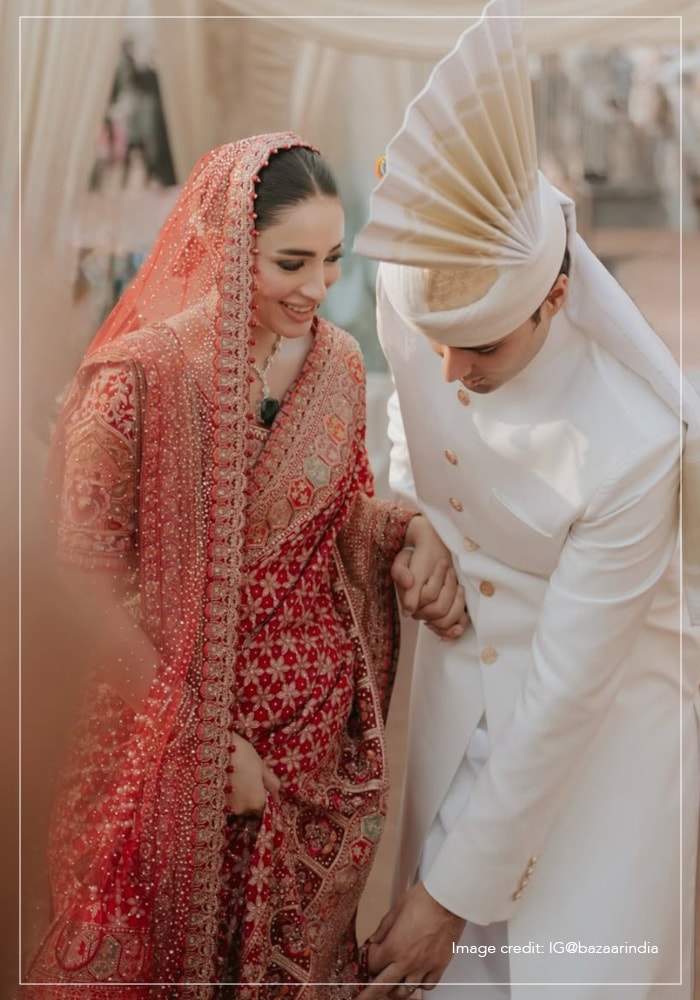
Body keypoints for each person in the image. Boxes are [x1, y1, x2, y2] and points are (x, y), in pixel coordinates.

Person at [23, 132, 466, 998]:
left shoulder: (338, 367)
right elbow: (82, 581)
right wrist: (199, 748)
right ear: (230, 244)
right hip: (160, 742)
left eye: (334, 260)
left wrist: (411, 529)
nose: (317, 288)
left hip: (306, 758)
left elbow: (338, 518)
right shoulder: (134, 380)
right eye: (290, 261)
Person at [353, 1, 700, 998]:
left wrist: (448, 891)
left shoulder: (634, 443)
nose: (451, 372)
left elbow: (566, 693)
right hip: (462, 694)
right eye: (440, 346)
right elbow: (411, 433)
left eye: (485, 350)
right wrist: (415, 523)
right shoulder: (411, 293)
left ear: (554, 296)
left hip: (606, 732)